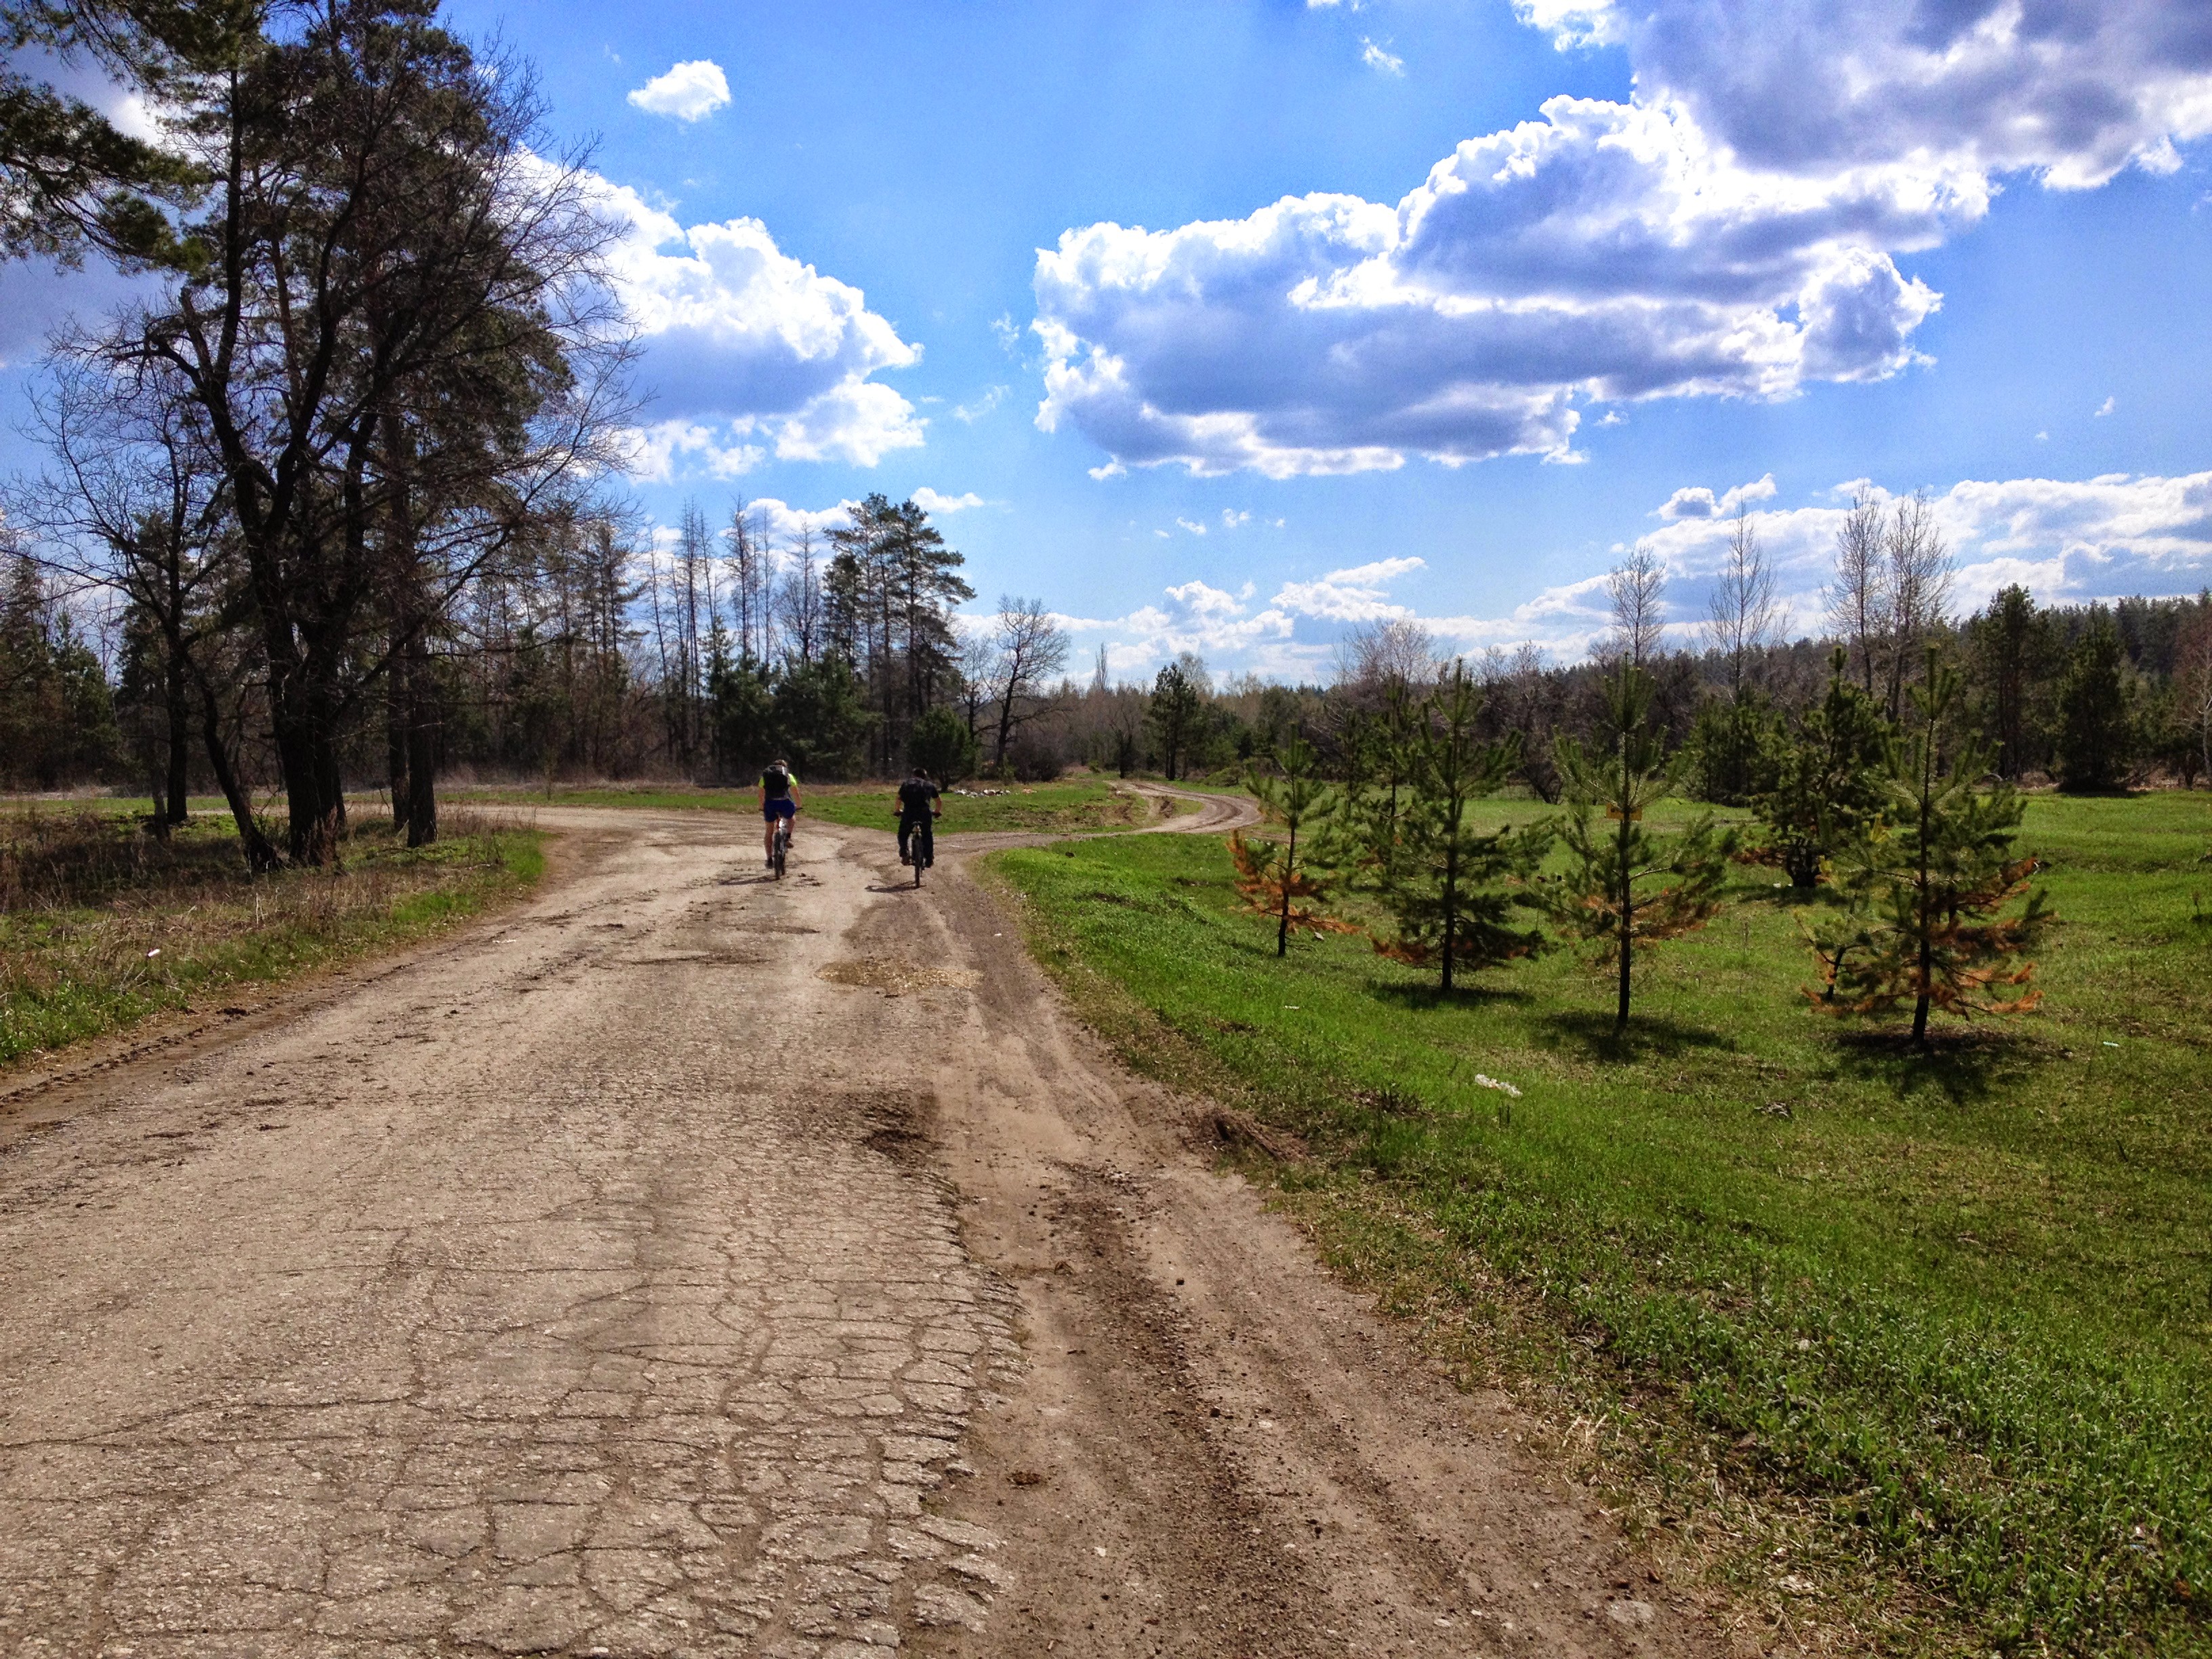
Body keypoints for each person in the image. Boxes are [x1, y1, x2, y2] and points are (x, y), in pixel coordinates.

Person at [895, 764, 941, 869]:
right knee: (927, 834)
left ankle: (904, 852)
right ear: (925, 776)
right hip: (924, 813)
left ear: (913, 776)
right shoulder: (929, 785)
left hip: (909, 813)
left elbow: (898, 800)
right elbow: (938, 801)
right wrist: (937, 812)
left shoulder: (906, 784)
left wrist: (898, 811)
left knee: (903, 834)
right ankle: (929, 859)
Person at [760, 758, 800, 867]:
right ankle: (787, 837)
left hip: (770, 804)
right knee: (791, 818)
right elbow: (796, 793)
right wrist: (799, 805)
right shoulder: (789, 776)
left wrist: (762, 807)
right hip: (785, 803)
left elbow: (761, 794)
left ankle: (769, 859)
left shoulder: (766, 777)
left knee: (769, 831)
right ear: (785, 768)